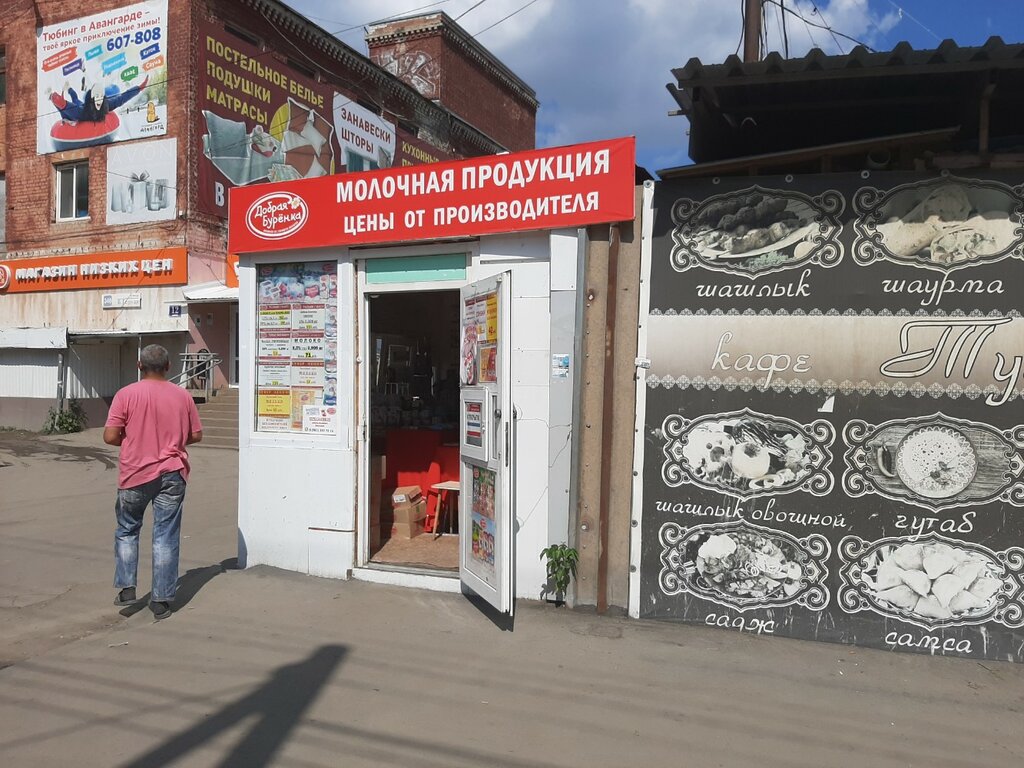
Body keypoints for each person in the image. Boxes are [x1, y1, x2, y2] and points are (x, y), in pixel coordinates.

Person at [103, 344, 203, 620]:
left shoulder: (126, 394)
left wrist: (134, 440)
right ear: (168, 367)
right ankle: (161, 601)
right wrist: (173, 441)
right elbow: (196, 435)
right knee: (165, 535)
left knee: (127, 529)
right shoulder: (182, 396)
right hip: (172, 472)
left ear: (139, 366)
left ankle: (127, 588)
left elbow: (110, 436)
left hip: (134, 473)